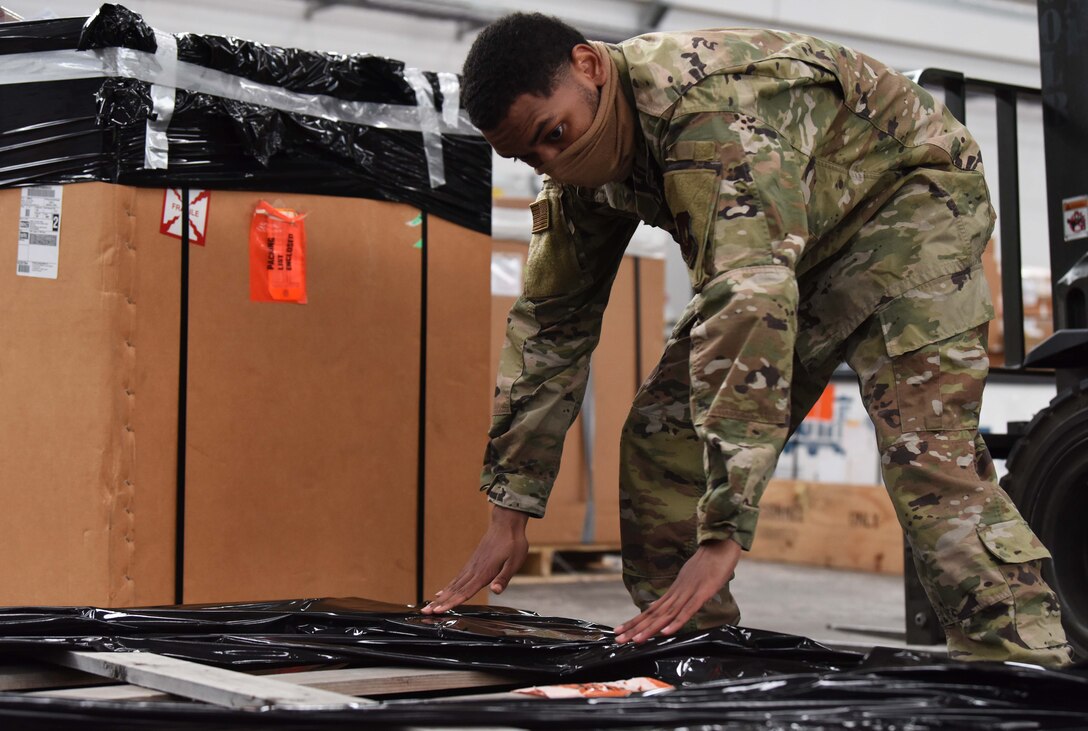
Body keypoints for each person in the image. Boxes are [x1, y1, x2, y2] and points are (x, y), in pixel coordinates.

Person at [420, 12, 1072, 666]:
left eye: (554, 135)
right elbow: (550, 325)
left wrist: (724, 529)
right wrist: (510, 510)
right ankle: (694, 653)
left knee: (926, 456)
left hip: (909, 205)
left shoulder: (704, 108)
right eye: (529, 157)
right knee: (664, 438)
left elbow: (748, 300)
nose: (553, 162)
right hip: (793, 238)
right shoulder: (573, 165)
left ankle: (1021, 667)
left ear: (589, 67)